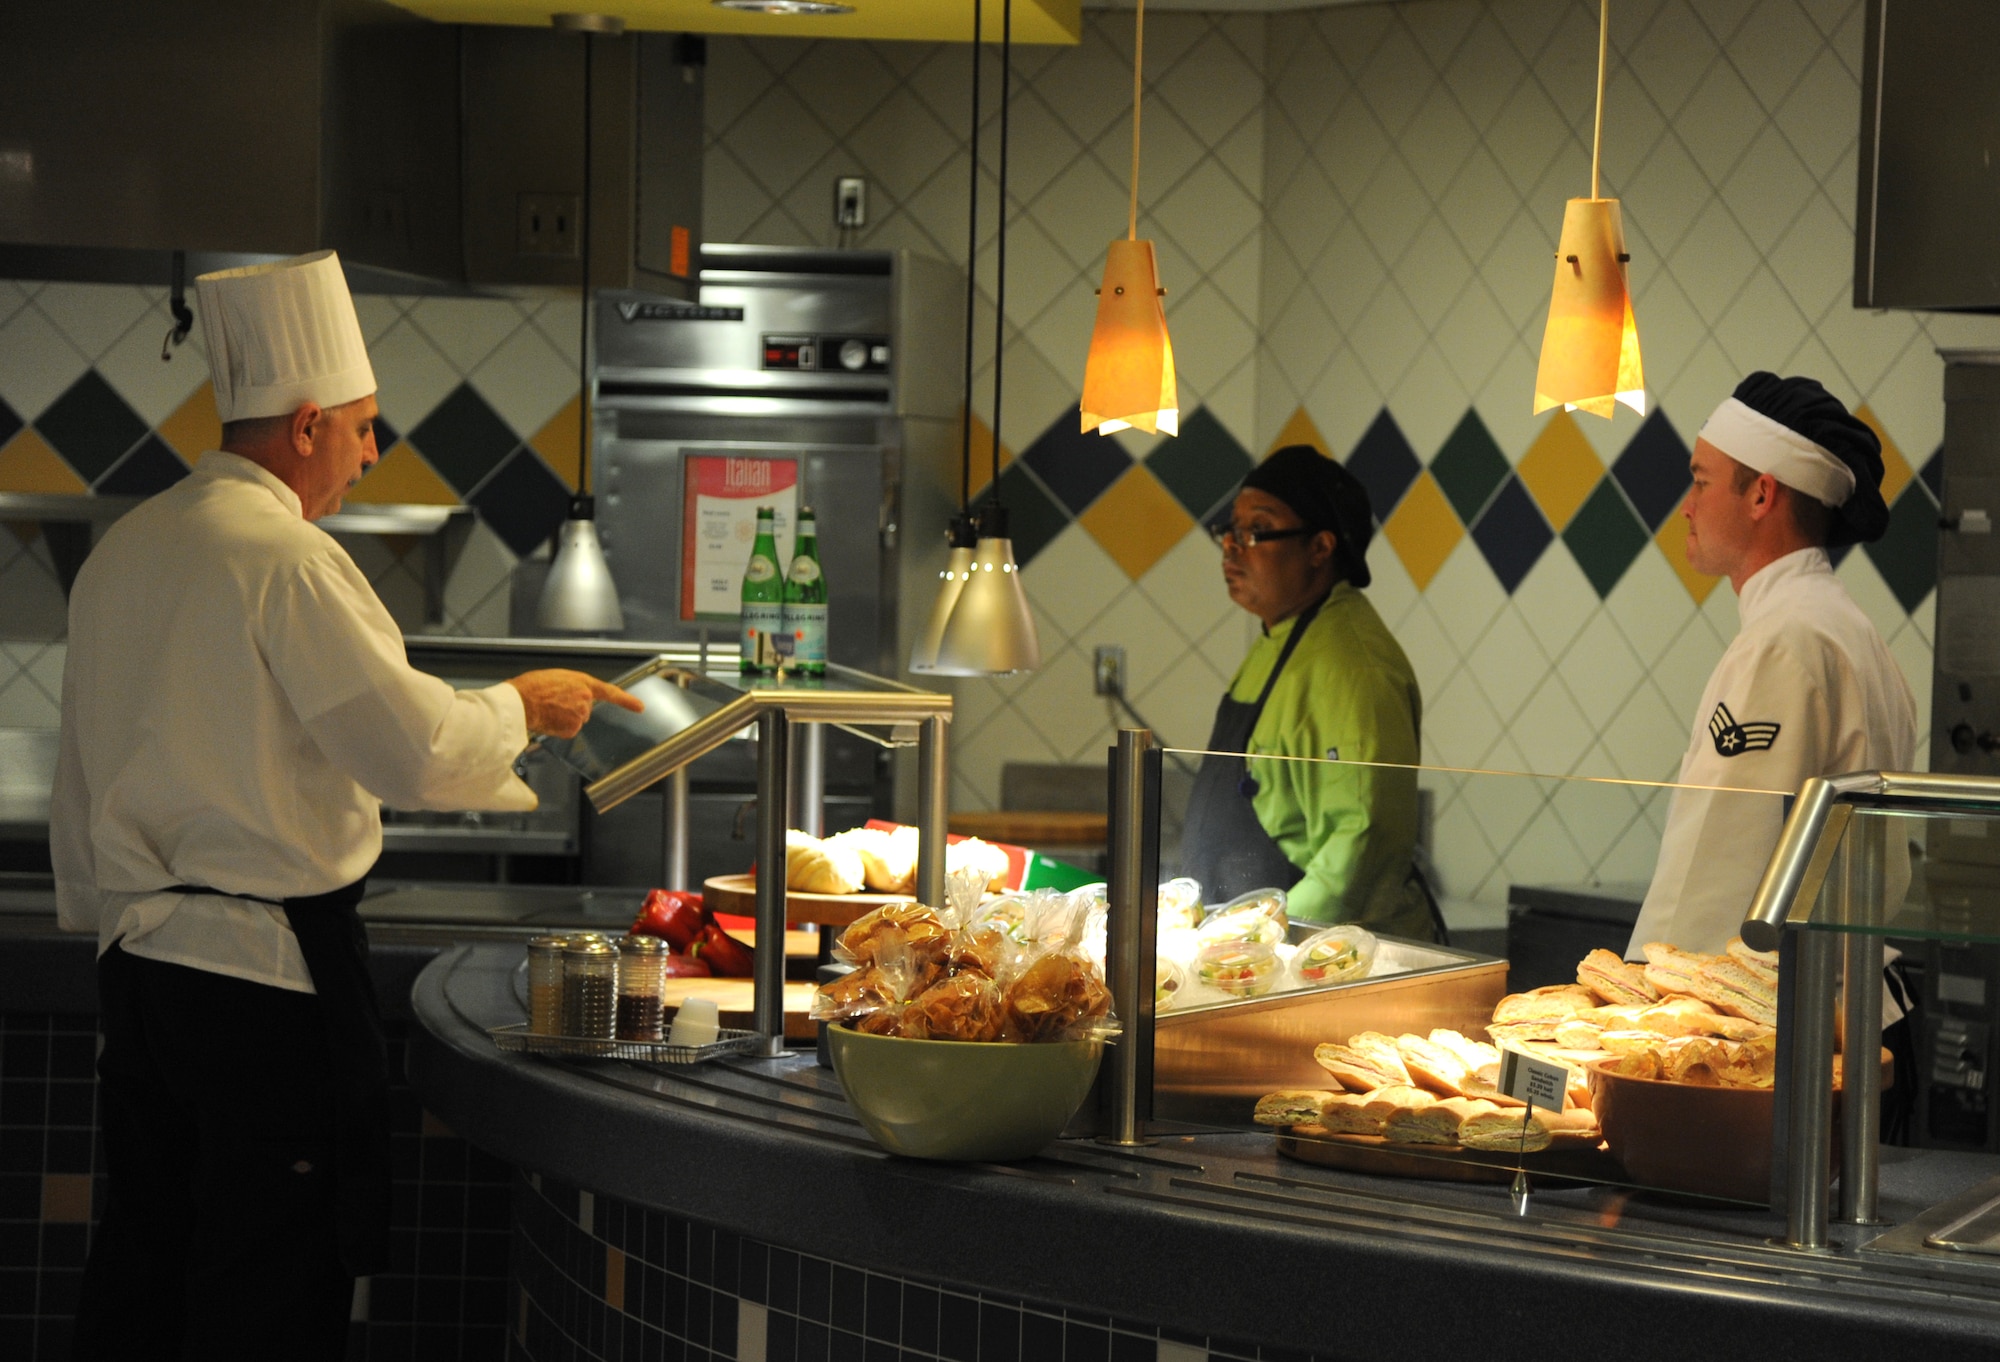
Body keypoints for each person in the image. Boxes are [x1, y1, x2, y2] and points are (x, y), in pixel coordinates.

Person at [50, 250, 641, 1361]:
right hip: (260, 994)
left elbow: (77, 776)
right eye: (366, 428)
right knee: (264, 1291)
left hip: (138, 981)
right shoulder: (287, 557)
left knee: (143, 1268)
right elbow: (411, 747)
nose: (369, 455)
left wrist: (109, 919)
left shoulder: (126, 549)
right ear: (310, 420)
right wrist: (523, 703)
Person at [1626, 372, 1917, 957]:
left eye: (1701, 482)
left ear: (1761, 495)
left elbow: (1719, 864)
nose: (1686, 508)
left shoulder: (1782, 643)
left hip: (1795, 1023)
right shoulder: (1847, 629)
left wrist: (1646, 999)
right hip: (1848, 1007)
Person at [1179, 445, 1437, 939]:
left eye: (1256, 530)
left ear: (1320, 547)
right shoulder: (1279, 637)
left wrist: (1259, 939)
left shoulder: (1353, 663)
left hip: (1320, 955)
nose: (1232, 547)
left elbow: (1362, 842)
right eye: (1231, 530)